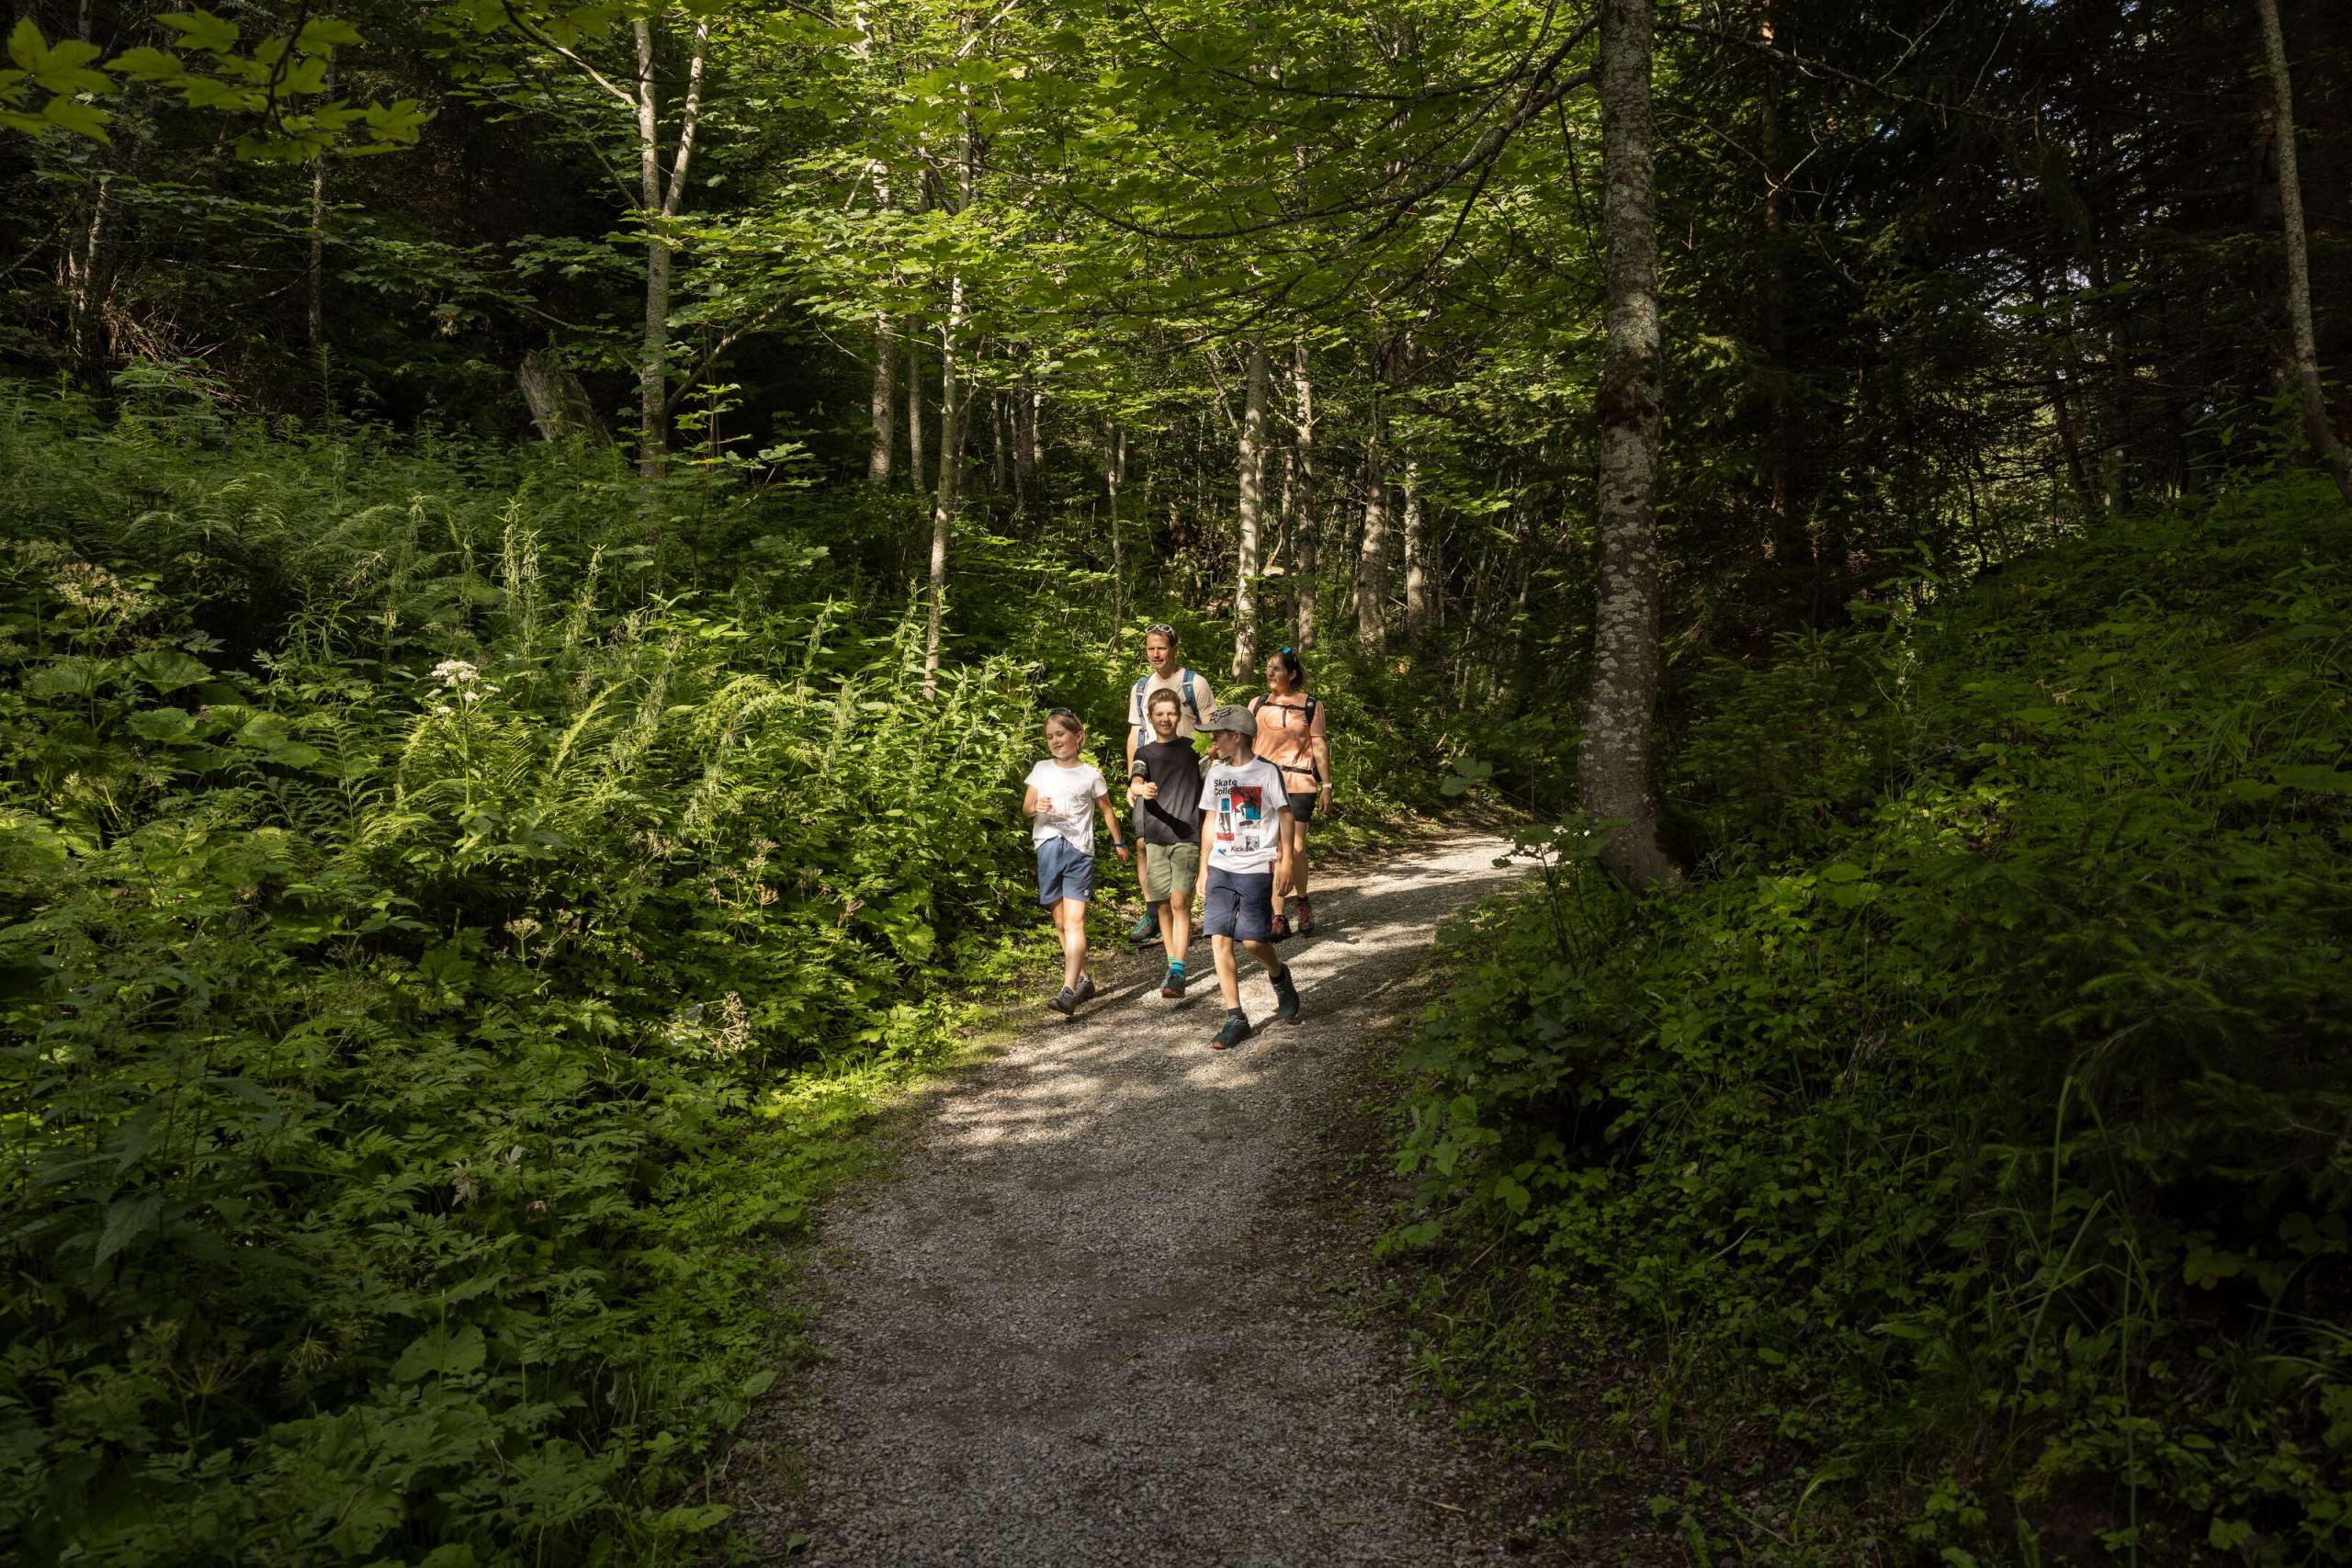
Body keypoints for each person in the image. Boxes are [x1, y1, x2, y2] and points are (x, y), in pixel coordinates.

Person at [1193, 704, 1301, 1050]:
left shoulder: (1266, 773)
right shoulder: (1216, 774)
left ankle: (1278, 975)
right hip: (1222, 866)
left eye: (1218, 735)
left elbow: (1285, 815)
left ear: (1236, 736)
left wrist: (1284, 862)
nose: (1214, 742)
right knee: (1219, 938)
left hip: (1257, 866)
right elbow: (1210, 820)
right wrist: (1203, 867)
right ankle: (1235, 1017)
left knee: (1253, 941)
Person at [1022, 708, 1130, 1017]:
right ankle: (1083, 980)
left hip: (1079, 851)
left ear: (1077, 736)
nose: (1055, 741)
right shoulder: (1042, 769)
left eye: (1060, 734)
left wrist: (1119, 842)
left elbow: (1107, 811)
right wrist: (1035, 806)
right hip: (1047, 848)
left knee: (1075, 922)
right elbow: (1027, 807)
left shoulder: (1091, 775)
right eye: (1050, 736)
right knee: (1060, 923)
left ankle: (1068, 991)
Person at [1124, 623, 1215, 943]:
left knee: (1192, 840)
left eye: (1161, 647)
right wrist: (1133, 780)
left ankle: (1193, 904)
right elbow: (1135, 735)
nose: (1155, 654)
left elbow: (1212, 731)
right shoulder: (1139, 687)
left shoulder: (1194, 684)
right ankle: (1153, 911)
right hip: (1150, 776)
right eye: (1150, 648)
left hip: (1189, 777)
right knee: (1142, 842)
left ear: (1174, 648)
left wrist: (1211, 771)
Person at [1250, 647, 1332, 939]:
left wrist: (1327, 785)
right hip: (1261, 787)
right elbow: (1244, 742)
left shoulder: (1310, 705)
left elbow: (1319, 746)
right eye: (1269, 668)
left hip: (1299, 784)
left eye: (1277, 669)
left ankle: (1303, 900)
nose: (1270, 673)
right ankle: (1278, 917)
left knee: (1294, 849)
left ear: (1292, 674)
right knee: (1272, 850)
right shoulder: (1257, 704)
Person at [1129, 687, 1206, 998]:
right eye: (1159, 714)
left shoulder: (1193, 750)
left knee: (1179, 901)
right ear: (1150, 718)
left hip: (1187, 835)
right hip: (1156, 837)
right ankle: (1172, 965)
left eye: (1171, 713)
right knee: (1162, 904)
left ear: (1180, 715)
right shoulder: (1144, 753)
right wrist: (1139, 789)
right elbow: (1135, 778)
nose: (1165, 719)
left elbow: (1212, 776)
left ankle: (1179, 968)